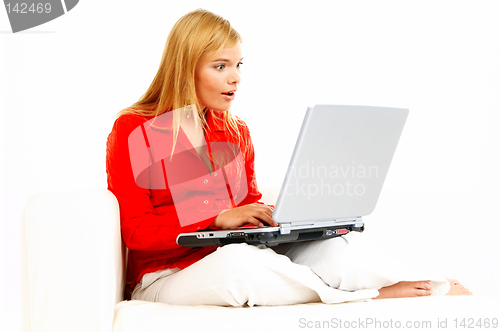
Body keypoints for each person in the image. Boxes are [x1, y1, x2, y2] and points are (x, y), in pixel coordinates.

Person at [106, 8, 471, 306]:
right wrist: (216, 220)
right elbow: (136, 232)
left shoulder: (235, 130)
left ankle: (417, 280)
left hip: (230, 252)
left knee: (338, 248)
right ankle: (373, 295)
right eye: (220, 66)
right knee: (240, 264)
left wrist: (279, 224)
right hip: (167, 274)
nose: (235, 78)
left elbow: (246, 204)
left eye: (238, 65)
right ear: (186, 68)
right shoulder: (134, 129)